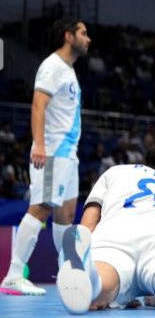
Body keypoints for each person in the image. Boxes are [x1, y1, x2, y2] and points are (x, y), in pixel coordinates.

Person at [55, 140, 155, 314]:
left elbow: (87, 227)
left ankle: (89, 276)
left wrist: (122, 295)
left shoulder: (116, 172)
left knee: (100, 285)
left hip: (116, 235)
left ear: (145, 163)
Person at [0, 18, 90, 296]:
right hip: (52, 151)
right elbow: (38, 105)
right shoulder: (52, 66)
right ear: (68, 36)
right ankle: (14, 275)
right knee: (41, 208)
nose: (88, 39)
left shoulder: (69, 71)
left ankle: (65, 272)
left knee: (66, 214)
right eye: (84, 33)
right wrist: (39, 145)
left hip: (69, 156)